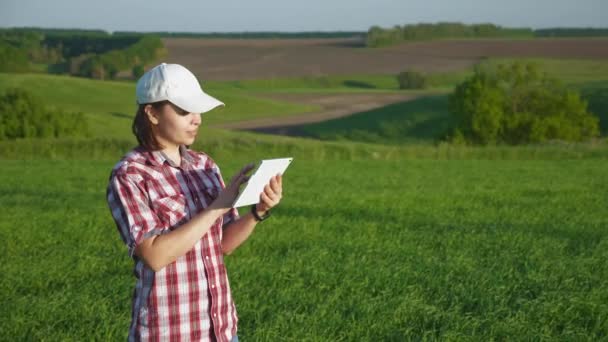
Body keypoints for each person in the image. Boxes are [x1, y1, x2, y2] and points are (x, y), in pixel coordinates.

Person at [106, 63, 283, 342]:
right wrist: (215, 208)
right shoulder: (131, 174)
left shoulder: (204, 165)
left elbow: (222, 244)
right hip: (170, 333)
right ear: (151, 113)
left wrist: (257, 213)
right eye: (184, 111)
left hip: (221, 330)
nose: (197, 119)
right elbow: (154, 256)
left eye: (198, 110)